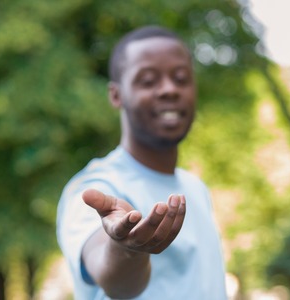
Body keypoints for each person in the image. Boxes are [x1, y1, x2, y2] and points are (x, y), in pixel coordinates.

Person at [56, 25, 227, 299]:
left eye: (181, 78)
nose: (169, 89)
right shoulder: (94, 189)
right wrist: (125, 249)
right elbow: (112, 278)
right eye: (148, 81)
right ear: (116, 95)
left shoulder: (196, 188)